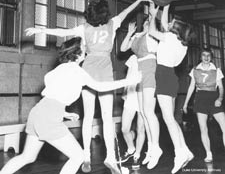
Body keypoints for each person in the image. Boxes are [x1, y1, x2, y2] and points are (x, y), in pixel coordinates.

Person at [25, 0, 149, 174]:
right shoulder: (113, 23)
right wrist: (140, 0)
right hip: (105, 70)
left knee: (88, 116)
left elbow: (63, 32)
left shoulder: (84, 28)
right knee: (106, 118)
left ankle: (86, 156)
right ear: (105, 14)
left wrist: (40, 30)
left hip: (88, 70)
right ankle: (111, 157)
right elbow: (127, 11)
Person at [0, 37, 141, 174]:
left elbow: (50, 94)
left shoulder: (58, 70)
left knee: (27, 157)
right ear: (78, 53)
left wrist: (64, 113)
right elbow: (100, 86)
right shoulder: (77, 71)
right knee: (78, 156)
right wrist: (128, 81)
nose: (86, 50)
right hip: (49, 118)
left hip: (37, 113)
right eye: (84, 47)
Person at [148, 0, 194, 174]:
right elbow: (165, 26)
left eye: (172, 23)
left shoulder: (168, 37)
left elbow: (152, 31)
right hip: (172, 77)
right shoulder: (183, 44)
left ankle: (179, 154)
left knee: (168, 119)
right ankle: (186, 150)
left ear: (176, 28)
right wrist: (165, 7)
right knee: (172, 119)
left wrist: (153, 15)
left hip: (163, 75)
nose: (169, 23)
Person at [120, 15, 161, 170]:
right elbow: (123, 48)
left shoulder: (153, 39)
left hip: (148, 77)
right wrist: (130, 32)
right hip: (135, 86)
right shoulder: (137, 39)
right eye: (146, 20)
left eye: (151, 21)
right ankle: (135, 149)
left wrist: (154, 14)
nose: (148, 22)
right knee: (127, 126)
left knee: (142, 123)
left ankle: (143, 152)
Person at [183, 48, 225, 162]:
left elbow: (221, 87)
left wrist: (220, 98)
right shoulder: (195, 70)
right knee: (203, 128)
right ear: (200, 57)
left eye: (208, 55)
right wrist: (185, 104)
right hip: (200, 98)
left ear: (211, 57)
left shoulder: (217, 70)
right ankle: (208, 153)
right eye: (203, 55)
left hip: (214, 97)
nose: (206, 57)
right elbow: (191, 87)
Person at [120, 55, 145, 170]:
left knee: (140, 128)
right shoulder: (133, 57)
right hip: (131, 94)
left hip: (143, 94)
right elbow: (128, 74)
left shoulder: (150, 56)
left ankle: (137, 155)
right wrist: (125, 90)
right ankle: (131, 148)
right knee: (124, 128)